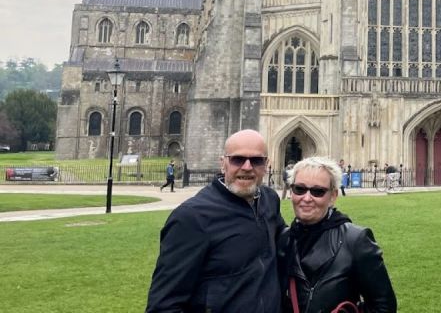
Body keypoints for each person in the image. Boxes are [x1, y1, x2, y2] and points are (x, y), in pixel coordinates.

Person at [146, 129, 284, 313]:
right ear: (223, 163)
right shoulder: (192, 217)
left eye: (256, 160)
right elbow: (163, 305)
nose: (247, 167)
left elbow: (288, 242)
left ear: (266, 164)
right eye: (237, 159)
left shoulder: (269, 200)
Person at [279, 156, 397, 313]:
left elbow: (384, 306)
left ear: (333, 196)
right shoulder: (283, 240)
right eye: (299, 189)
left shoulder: (355, 240)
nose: (306, 198)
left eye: (318, 191)